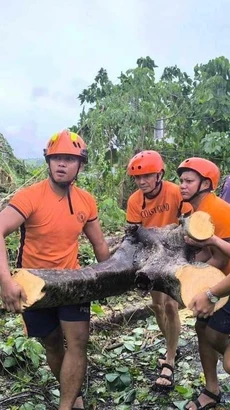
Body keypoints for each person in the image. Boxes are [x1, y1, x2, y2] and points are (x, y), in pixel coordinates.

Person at [0, 130, 110, 410]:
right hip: (34, 284)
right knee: (51, 343)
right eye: (57, 158)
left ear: (80, 166)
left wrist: (110, 278)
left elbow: (99, 245)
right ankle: (72, 393)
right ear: (48, 161)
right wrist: (6, 283)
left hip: (72, 281)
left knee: (78, 342)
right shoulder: (30, 197)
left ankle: (67, 405)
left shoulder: (86, 200)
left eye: (69, 159)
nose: (62, 164)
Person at [126, 150, 192, 391]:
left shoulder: (175, 192)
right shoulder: (135, 201)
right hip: (152, 258)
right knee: (157, 306)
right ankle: (170, 344)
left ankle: (170, 360)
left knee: (171, 306)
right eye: (138, 178)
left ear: (159, 175)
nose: (142, 182)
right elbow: (134, 234)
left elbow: (187, 222)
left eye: (147, 176)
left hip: (175, 253)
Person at [177, 157, 230, 410]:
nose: (182, 186)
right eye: (181, 181)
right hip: (213, 279)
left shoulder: (219, 210)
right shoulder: (192, 211)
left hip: (224, 282)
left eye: (189, 181)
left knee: (214, 334)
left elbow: (219, 258)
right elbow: (204, 252)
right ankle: (211, 389)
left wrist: (198, 283)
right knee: (201, 328)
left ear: (206, 183)